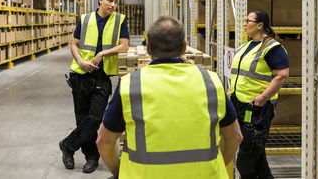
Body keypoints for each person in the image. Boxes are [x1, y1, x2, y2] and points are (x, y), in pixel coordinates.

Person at [96, 16, 243, 179]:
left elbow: (104, 142)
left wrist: (119, 172)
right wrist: (217, 167)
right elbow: (235, 137)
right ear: (185, 47)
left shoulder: (130, 85)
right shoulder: (211, 82)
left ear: (148, 49)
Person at [59, 0, 129, 173]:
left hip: (102, 76)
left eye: (116, 2)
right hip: (80, 75)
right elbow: (74, 45)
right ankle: (91, 157)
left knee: (95, 118)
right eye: (109, 1)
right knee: (82, 118)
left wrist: (102, 54)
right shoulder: (85, 19)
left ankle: (68, 145)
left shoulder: (120, 20)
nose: (113, 5)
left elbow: (124, 46)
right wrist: (81, 61)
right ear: (100, 0)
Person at [230, 10, 289, 179]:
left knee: (246, 158)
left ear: (260, 25)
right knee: (257, 157)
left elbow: (281, 75)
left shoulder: (272, 48)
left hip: (256, 108)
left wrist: (262, 98)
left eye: (248, 21)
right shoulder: (245, 46)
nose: (244, 24)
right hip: (239, 104)